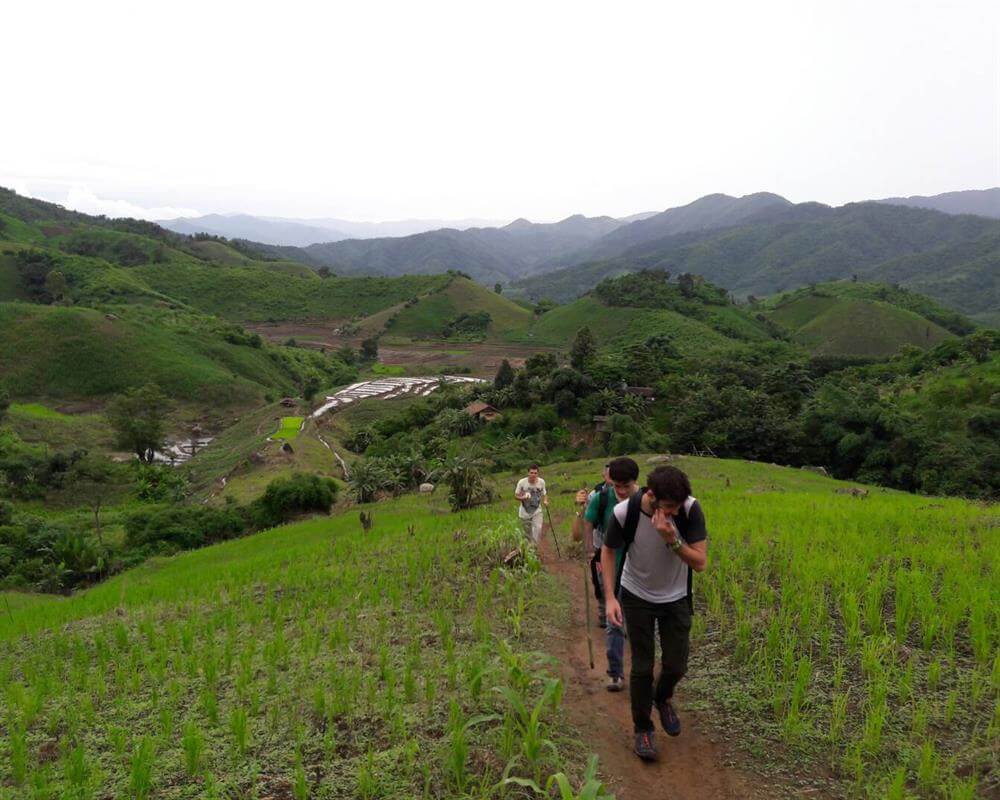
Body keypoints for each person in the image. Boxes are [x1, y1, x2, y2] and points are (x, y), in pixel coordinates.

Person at [601, 465, 708, 762]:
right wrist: (610, 598)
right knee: (642, 668)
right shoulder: (626, 513)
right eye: (668, 508)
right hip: (637, 595)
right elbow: (608, 551)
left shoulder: (689, 509)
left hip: (676, 597)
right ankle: (643, 727)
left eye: (677, 507)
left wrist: (671, 538)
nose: (673, 513)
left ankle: (662, 698)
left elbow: (700, 562)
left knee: (676, 665)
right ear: (651, 496)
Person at [574, 457, 640, 692]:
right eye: (616, 486)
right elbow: (580, 533)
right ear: (610, 481)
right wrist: (579, 511)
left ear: (636, 482)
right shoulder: (600, 499)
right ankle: (615, 672)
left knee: (638, 625)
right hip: (612, 566)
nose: (621, 491)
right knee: (615, 621)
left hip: (640, 572)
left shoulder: (646, 501)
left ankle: (642, 673)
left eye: (626, 486)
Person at [514, 464, 548, 544]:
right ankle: (529, 550)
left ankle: (534, 548)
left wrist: (545, 501)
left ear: (538, 474)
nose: (533, 475)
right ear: (528, 473)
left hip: (537, 510)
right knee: (527, 534)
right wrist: (523, 498)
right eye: (531, 473)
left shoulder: (541, 482)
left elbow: (545, 494)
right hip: (524, 511)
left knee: (538, 529)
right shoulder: (522, 482)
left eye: (535, 473)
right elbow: (516, 495)